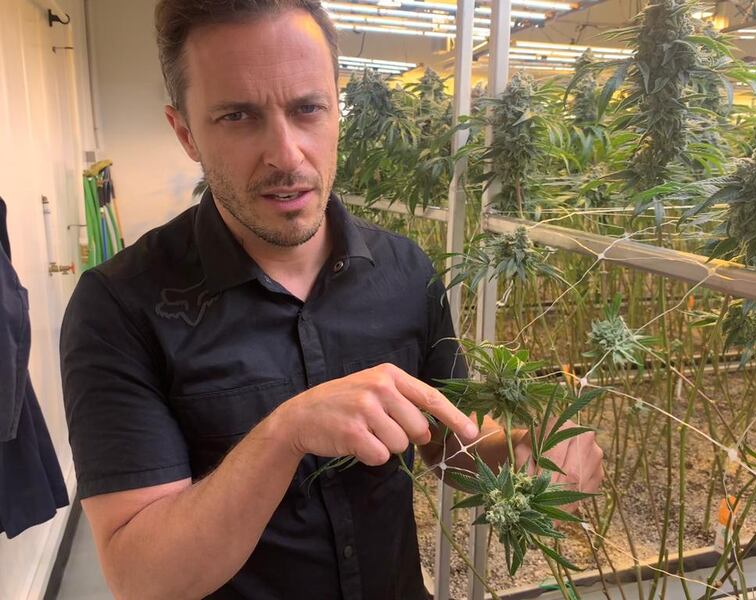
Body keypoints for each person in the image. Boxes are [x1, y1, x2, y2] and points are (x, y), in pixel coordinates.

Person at [59, 1, 604, 598]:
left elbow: (448, 448)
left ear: (336, 107)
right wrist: (283, 434)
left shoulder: (405, 270)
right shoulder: (119, 307)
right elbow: (143, 578)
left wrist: (524, 445)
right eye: (238, 116)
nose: (287, 155)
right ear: (185, 132)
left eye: (307, 108)